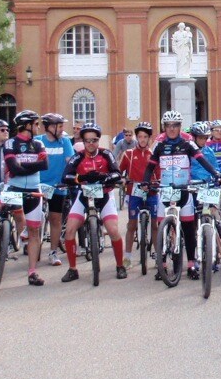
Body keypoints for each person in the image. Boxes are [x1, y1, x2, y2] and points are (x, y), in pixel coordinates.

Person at [148, 110, 221, 280]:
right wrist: (146, 181)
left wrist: (215, 173)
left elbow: (201, 159)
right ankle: (163, 265)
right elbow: (150, 166)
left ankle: (190, 264)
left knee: (189, 229)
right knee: (162, 227)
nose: (172, 129)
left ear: (180, 127)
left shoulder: (188, 143)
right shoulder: (159, 146)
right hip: (166, 190)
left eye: (175, 125)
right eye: (168, 125)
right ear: (164, 127)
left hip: (184, 190)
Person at [0, 110, 49, 287]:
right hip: (13, 188)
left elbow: (44, 165)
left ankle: (32, 272)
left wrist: (22, 166)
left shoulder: (39, 144)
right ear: (27, 125)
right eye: (36, 124)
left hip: (33, 190)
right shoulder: (11, 143)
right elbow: (14, 167)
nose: (38, 127)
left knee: (34, 232)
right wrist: (29, 166)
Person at [60, 123, 126, 280]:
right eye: (87, 140)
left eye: (94, 140)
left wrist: (106, 177)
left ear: (99, 141)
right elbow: (66, 176)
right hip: (84, 196)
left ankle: (120, 265)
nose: (91, 144)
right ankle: (72, 269)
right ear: (83, 141)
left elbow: (117, 172)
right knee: (70, 230)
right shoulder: (78, 156)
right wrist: (80, 178)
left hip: (104, 195)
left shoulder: (106, 154)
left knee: (113, 230)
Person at [36, 114, 76, 267]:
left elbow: (70, 162)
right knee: (33, 215)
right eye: (59, 126)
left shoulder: (65, 142)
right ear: (49, 127)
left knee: (55, 219)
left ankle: (53, 252)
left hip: (58, 186)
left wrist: (71, 178)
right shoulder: (38, 141)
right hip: (39, 185)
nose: (62, 129)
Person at [120, 122, 157, 268]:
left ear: (149, 138)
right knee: (131, 225)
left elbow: (159, 173)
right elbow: (118, 171)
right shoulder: (128, 155)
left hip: (152, 192)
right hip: (134, 192)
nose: (142, 140)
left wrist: (157, 183)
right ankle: (127, 256)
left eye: (145, 137)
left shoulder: (154, 155)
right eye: (140, 136)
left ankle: (156, 253)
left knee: (155, 224)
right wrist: (122, 178)